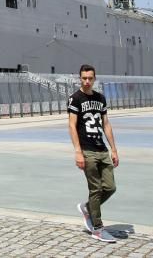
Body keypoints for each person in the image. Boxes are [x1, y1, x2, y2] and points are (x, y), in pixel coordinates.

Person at [67, 64, 119, 243]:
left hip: (102, 149)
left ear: (94, 78)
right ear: (79, 78)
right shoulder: (75, 99)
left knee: (110, 187)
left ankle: (87, 208)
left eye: (90, 78)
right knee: (95, 189)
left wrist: (114, 149)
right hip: (87, 150)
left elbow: (106, 124)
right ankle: (97, 228)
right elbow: (72, 126)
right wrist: (77, 152)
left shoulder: (101, 98)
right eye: (84, 78)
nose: (87, 81)